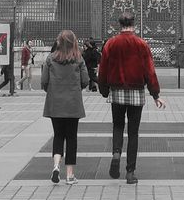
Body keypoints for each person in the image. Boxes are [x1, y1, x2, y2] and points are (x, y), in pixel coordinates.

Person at [97, 14, 165, 184]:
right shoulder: (142, 44)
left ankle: (116, 153)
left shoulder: (111, 43)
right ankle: (130, 172)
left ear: (119, 25)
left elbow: (103, 68)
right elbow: (150, 70)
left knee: (118, 126)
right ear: (134, 25)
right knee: (133, 132)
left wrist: (104, 89)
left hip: (117, 91)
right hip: (136, 91)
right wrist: (155, 94)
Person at [42, 29, 88, 184]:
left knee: (58, 136)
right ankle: (70, 175)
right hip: (73, 103)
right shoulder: (78, 59)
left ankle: (56, 166)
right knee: (71, 137)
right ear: (73, 42)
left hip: (55, 103)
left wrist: (54, 90)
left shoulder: (50, 59)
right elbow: (85, 81)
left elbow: (44, 82)